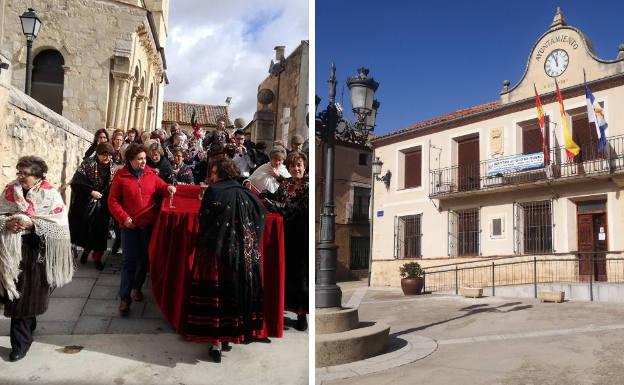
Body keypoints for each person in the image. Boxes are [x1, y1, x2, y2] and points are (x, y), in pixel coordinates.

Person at [187, 158, 265, 363]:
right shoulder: (248, 194)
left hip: (218, 254)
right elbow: (260, 219)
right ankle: (230, 337)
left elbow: (204, 220)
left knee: (218, 298)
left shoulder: (214, 191)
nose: (210, 177)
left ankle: (216, 343)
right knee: (233, 295)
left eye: (213, 173)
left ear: (219, 173)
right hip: (244, 259)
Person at [0, 156, 74, 361]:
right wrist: (6, 224)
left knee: (27, 296)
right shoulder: (10, 190)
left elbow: (59, 224)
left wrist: (33, 225)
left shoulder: (50, 194)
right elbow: (0, 213)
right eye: (19, 172)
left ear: (39, 176)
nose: (21, 177)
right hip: (11, 250)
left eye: (26, 174)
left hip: (37, 251)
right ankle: (22, 340)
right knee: (17, 296)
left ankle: (21, 340)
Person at [108, 143, 175, 316]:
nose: (143, 162)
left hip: (148, 225)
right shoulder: (121, 177)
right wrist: (124, 218)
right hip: (130, 226)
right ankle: (124, 298)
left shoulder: (151, 174)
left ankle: (137, 287)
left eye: (144, 158)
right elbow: (113, 201)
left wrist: (168, 188)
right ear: (130, 160)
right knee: (128, 261)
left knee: (144, 259)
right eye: (139, 159)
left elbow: (160, 186)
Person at [263, 152, 309, 331]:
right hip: (284, 234)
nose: (296, 168)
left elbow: (300, 208)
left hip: (300, 235)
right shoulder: (285, 184)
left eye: (299, 165)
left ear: (304, 168)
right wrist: (268, 196)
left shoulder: (308, 186)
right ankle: (281, 308)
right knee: (284, 271)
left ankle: (301, 314)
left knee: (299, 275)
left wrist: (280, 207)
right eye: (293, 166)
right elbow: (278, 200)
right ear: (288, 168)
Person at [69, 143, 119, 271]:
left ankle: (97, 258)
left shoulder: (113, 168)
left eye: (109, 155)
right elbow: (76, 182)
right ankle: (86, 252)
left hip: (104, 205)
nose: (107, 158)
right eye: (104, 155)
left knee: (101, 233)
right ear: (98, 153)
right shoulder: (87, 164)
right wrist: (91, 191)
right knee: (88, 230)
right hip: (87, 203)